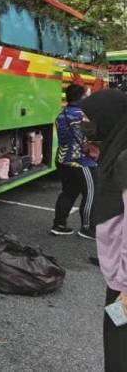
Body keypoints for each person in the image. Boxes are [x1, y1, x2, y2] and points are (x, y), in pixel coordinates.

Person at [80, 89, 127, 372]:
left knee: (119, 352)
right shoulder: (117, 150)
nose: (89, 126)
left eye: (93, 120)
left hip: (124, 285)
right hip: (120, 280)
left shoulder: (125, 160)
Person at [51, 84, 97, 239]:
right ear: (81, 97)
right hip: (82, 162)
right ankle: (88, 228)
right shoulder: (82, 115)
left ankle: (59, 225)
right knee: (91, 193)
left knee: (68, 192)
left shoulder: (62, 114)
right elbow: (92, 137)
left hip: (63, 160)